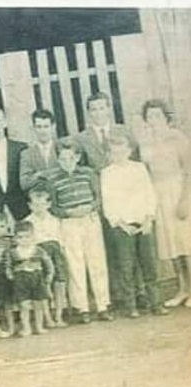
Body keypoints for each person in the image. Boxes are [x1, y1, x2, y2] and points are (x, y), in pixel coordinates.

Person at [74, 91, 139, 310]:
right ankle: (117, 294)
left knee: (131, 244)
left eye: (102, 107)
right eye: (93, 109)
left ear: (109, 108)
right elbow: (82, 169)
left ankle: (139, 292)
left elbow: (135, 162)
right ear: (88, 112)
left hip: (126, 197)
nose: (98, 113)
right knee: (109, 246)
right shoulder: (82, 138)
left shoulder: (123, 131)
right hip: (100, 198)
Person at [45, 138, 113, 324]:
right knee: (75, 264)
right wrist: (68, 212)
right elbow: (53, 207)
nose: (67, 161)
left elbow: (99, 197)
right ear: (58, 160)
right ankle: (82, 308)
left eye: (70, 157)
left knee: (97, 261)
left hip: (90, 220)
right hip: (69, 223)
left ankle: (103, 305)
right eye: (62, 158)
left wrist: (90, 207)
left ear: (77, 157)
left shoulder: (88, 173)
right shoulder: (52, 179)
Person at [101, 133, 169, 318]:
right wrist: (122, 224)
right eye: (114, 152)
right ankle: (131, 305)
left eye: (122, 151)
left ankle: (156, 302)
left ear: (129, 151)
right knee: (126, 266)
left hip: (143, 222)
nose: (119, 156)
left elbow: (149, 194)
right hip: (122, 226)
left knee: (149, 264)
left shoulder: (139, 168)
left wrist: (148, 219)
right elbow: (108, 204)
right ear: (109, 154)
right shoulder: (107, 173)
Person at [139, 98, 191, 308]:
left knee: (186, 242)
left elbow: (188, 170)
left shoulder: (177, 137)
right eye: (150, 116)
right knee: (171, 245)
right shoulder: (145, 141)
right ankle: (182, 289)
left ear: (165, 117)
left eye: (157, 115)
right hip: (158, 195)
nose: (154, 119)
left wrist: (185, 199)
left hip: (178, 190)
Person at [23, 185, 69, 327]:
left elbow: (61, 240)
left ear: (48, 204)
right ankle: (47, 318)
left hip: (56, 254)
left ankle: (59, 316)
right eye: (36, 205)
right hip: (39, 255)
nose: (39, 208)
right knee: (43, 287)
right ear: (30, 205)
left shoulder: (55, 220)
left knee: (59, 284)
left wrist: (62, 254)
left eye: (42, 204)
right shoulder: (27, 222)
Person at [5, 221, 55, 337]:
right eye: (20, 237)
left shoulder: (38, 250)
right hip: (21, 280)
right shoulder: (12, 252)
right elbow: (8, 265)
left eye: (27, 237)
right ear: (15, 238)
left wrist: (49, 275)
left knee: (38, 304)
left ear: (33, 236)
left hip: (37, 278)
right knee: (24, 305)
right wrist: (10, 275)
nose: (24, 240)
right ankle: (26, 328)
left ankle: (39, 326)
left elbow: (49, 263)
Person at [20, 109, 59, 193]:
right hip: (41, 198)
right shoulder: (27, 154)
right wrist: (40, 175)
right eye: (39, 127)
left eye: (46, 126)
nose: (43, 131)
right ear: (33, 128)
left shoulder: (62, 147)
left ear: (53, 127)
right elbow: (24, 183)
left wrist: (38, 174)